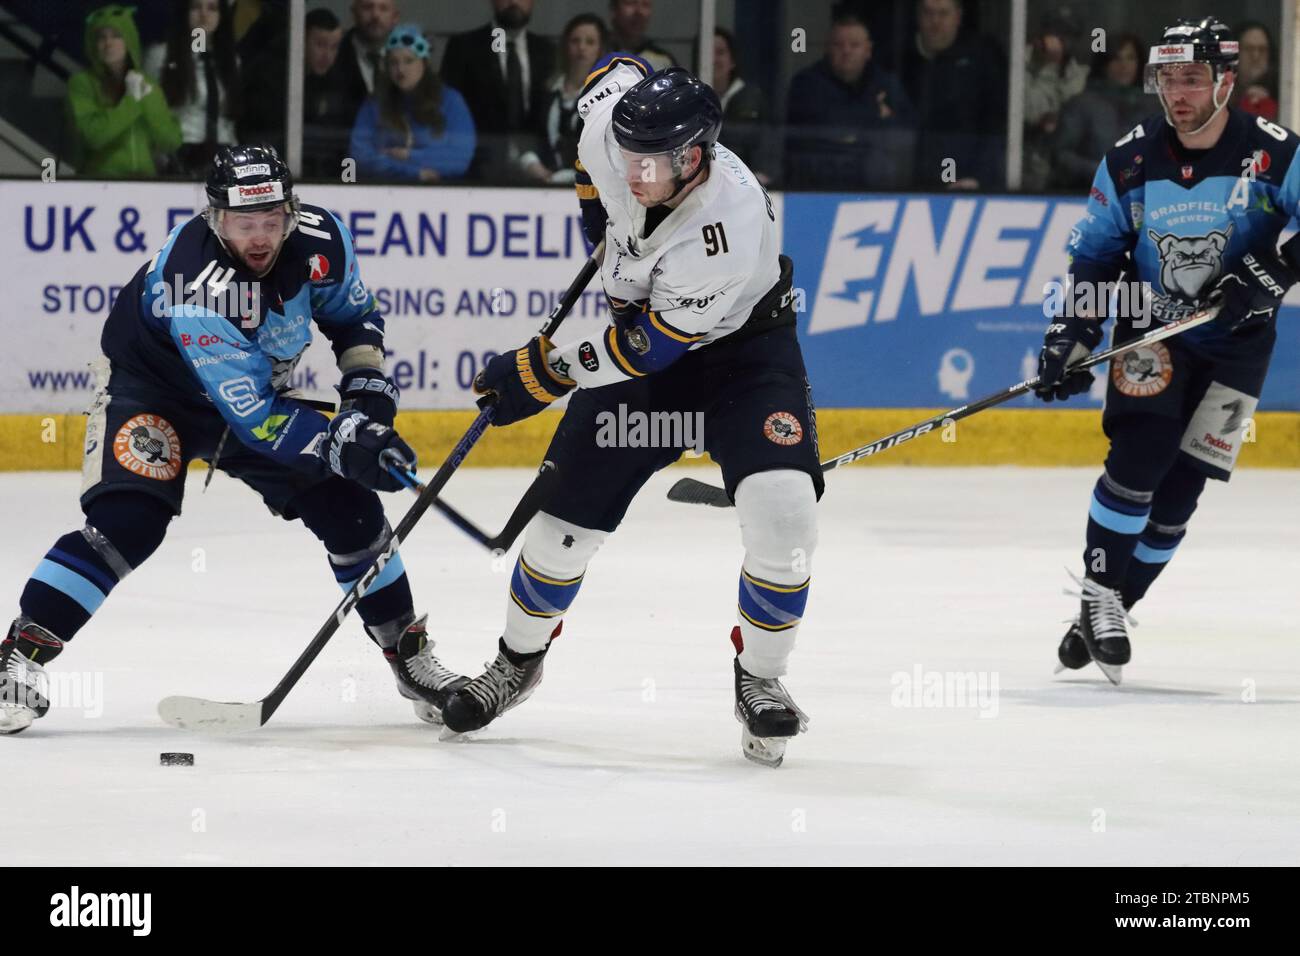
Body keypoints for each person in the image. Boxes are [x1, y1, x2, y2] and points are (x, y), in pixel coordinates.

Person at [0, 145, 463, 734]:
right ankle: (19, 655)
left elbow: (352, 318)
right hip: (153, 393)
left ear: (292, 212)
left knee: (350, 508)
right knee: (128, 523)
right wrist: (344, 440)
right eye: (245, 224)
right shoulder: (193, 283)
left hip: (248, 392)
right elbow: (259, 422)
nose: (261, 237)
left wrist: (366, 396)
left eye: (272, 221)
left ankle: (409, 656)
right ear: (216, 218)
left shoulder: (322, 238)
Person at [443, 56, 823, 768]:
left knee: (785, 512)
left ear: (696, 154)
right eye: (628, 158)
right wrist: (598, 206)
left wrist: (543, 372)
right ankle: (517, 663)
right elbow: (617, 69)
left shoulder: (726, 225)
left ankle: (762, 678)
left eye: (654, 163)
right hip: (645, 335)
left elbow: (646, 351)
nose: (636, 175)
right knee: (561, 529)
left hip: (743, 355)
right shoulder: (608, 133)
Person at [1035, 18, 1300, 683]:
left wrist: (1266, 274)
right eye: (1167, 79)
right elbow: (1096, 255)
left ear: (1226, 81)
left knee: (1181, 494)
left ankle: (1110, 609)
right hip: (1153, 334)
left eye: (1192, 79)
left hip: (1239, 349)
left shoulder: (1275, 153)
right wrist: (1072, 333)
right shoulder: (1130, 159)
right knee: (1140, 459)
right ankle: (1100, 598)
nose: (1177, 94)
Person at [785, 7, 913, 190]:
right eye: (838, 45)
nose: (846, 51)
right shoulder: (806, 84)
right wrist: (875, 116)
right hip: (818, 185)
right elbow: (826, 129)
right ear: (827, 48)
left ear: (868, 50)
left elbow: (908, 130)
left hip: (877, 187)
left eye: (854, 45)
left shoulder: (887, 85)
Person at [439, 0, 556, 183]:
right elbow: (447, 111)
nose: (514, 2)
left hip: (538, 171)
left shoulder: (547, 51)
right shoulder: (463, 47)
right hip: (477, 169)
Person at [66, 4, 182, 178]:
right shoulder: (82, 84)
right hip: (101, 181)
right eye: (101, 37)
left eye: (116, 36)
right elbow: (93, 136)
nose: (108, 43)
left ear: (128, 41)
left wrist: (147, 105)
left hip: (145, 182)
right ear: (93, 44)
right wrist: (132, 103)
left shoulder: (146, 83)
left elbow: (170, 141)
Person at [900, 0, 1006, 189]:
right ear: (918, 16)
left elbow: (993, 125)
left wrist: (978, 177)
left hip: (955, 176)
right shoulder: (897, 57)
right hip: (904, 179)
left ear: (958, 17)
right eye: (929, 13)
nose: (935, 21)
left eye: (943, 14)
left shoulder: (980, 62)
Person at [350, 24, 475, 182]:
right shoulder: (375, 103)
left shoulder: (451, 101)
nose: (400, 69)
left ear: (423, 63)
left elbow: (459, 158)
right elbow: (360, 155)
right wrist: (415, 173)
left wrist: (407, 155)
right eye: (393, 62)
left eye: (408, 61)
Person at [144, 0, 242, 176]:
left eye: (212, 8)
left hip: (223, 153)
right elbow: (149, 114)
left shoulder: (231, 61)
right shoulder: (161, 56)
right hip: (179, 153)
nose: (204, 15)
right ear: (185, 13)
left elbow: (229, 119)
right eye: (196, 7)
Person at [519, 13, 607, 185]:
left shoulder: (606, 97)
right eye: (575, 41)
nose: (582, 47)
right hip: (542, 186)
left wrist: (567, 176)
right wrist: (531, 164)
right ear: (565, 46)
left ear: (600, 49)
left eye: (590, 42)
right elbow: (526, 139)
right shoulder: (546, 92)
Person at [1051, 33, 1148, 190]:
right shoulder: (1081, 105)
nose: (1124, 65)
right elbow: (1061, 155)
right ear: (1104, 64)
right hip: (1087, 196)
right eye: (1116, 58)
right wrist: (1101, 171)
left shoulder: (1153, 105)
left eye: (1130, 58)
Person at [1022, 9, 1087, 190]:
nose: (1062, 40)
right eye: (1056, 33)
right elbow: (1028, 112)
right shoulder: (1020, 63)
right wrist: (1046, 65)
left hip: (1058, 163)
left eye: (1068, 34)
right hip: (1021, 154)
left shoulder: (1079, 73)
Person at [705, 26, 770, 184]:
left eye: (720, 52)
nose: (713, 59)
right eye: (708, 52)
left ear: (732, 60)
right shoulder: (688, 100)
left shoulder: (752, 98)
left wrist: (761, 175)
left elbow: (766, 142)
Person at [301, 8, 356, 179]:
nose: (327, 55)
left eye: (334, 47)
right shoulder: (274, 77)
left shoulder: (343, 83)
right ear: (301, 40)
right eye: (320, 44)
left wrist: (349, 180)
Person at [335, 0, 402, 121]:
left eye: (383, 8)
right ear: (353, 14)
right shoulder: (333, 58)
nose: (375, 15)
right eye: (367, 7)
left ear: (395, 17)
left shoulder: (412, 64)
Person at [608, 0, 674, 71]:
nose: (639, 11)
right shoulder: (597, 53)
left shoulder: (662, 61)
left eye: (645, 5)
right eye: (630, 3)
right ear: (614, 10)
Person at [1231, 21, 1278, 119]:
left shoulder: (1282, 89)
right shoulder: (1221, 90)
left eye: (1262, 50)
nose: (1255, 56)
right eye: (1248, 49)